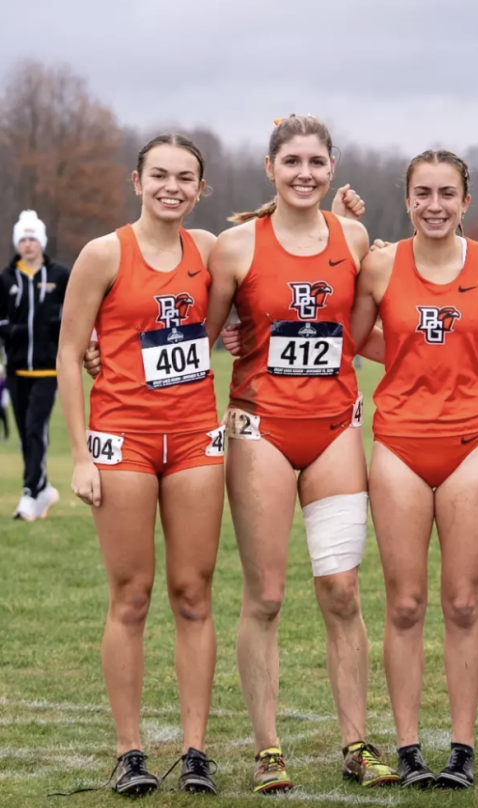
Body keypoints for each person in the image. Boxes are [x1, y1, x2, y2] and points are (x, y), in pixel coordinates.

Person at [206, 114, 392, 793]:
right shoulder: (234, 248)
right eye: (292, 162)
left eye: (316, 161)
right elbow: (196, 328)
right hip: (260, 431)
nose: (304, 173)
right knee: (267, 596)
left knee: (341, 590)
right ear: (270, 168)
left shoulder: (354, 235)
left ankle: (357, 743)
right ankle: (268, 749)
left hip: (335, 430)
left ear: (333, 168)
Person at [55, 134, 224, 796]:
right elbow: (71, 353)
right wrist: (78, 453)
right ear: (137, 180)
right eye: (160, 175)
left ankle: (196, 750)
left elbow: (273, 245)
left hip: (192, 440)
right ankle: (129, 750)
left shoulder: (210, 250)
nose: (172, 187)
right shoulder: (103, 255)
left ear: (201, 188)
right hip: (121, 439)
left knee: (193, 593)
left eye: (185, 177)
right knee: (131, 596)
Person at [346, 150, 478, 789]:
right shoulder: (382, 265)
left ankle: (463, 748)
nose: (435, 205)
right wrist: (410, 357)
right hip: (399, 445)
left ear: (465, 201)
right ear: (408, 199)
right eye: (423, 194)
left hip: (471, 441)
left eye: (447, 194)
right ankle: (412, 746)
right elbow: (354, 338)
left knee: (465, 603)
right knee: (408, 603)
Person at [0, 210, 70, 520]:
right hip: (16, 369)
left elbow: (74, 314)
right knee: (24, 432)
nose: (28, 245)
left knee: (34, 427)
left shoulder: (59, 276)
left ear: (41, 241)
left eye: (32, 239)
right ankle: (41, 489)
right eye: (23, 239)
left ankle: (30, 493)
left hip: (48, 368)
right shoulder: (6, 278)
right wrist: (12, 331)